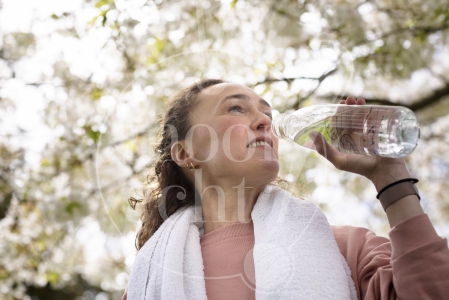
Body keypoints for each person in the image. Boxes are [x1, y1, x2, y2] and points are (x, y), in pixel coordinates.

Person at [123, 79, 449, 300]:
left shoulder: (346, 249)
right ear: (186, 152)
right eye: (236, 108)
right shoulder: (153, 274)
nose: (265, 121)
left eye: (267, 113)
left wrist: (389, 177)